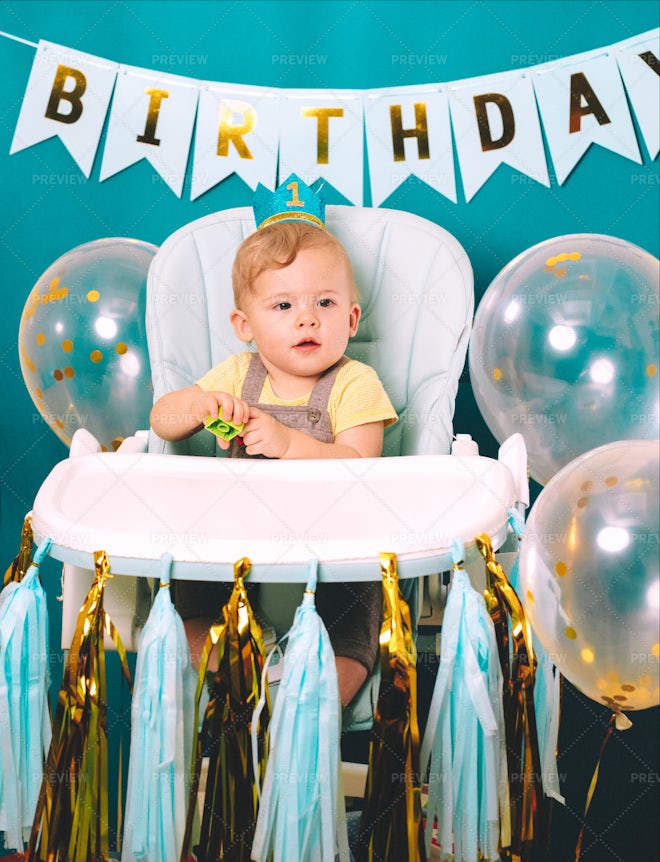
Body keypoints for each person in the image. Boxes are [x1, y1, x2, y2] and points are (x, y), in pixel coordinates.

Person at [150, 175, 398, 707]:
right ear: (245, 324)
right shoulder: (238, 375)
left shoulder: (354, 382)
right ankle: (243, 686)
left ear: (351, 319)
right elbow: (161, 418)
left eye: (325, 303)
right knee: (189, 594)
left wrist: (289, 442)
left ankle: (309, 710)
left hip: (333, 540)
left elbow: (361, 464)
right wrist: (196, 407)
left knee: (358, 607)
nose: (307, 317)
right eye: (283, 306)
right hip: (237, 535)